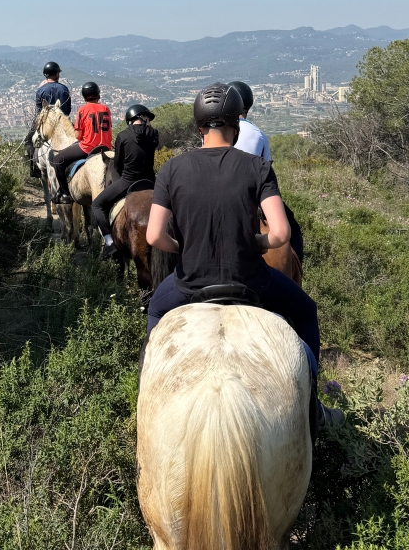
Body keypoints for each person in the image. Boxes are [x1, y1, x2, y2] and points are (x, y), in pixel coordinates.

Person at [145, 82, 342, 429]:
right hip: (251, 281)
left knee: (156, 310)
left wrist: (183, 248)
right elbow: (280, 233)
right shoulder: (256, 167)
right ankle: (314, 406)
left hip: (190, 285)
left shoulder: (171, 170)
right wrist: (256, 242)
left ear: (199, 125)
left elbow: (154, 235)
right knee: (306, 311)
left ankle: (144, 403)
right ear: (237, 124)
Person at [229, 80, 304, 263]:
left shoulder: (214, 131)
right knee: (292, 228)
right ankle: (297, 270)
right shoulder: (258, 134)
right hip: (252, 198)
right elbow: (266, 171)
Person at [93, 104, 160, 259]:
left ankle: (109, 242)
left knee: (98, 204)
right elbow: (151, 141)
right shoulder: (154, 133)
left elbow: (117, 164)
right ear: (143, 118)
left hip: (128, 181)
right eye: (147, 118)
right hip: (150, 182)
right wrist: (148, 126)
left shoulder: (122, 136)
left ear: (130, 118)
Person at [51, 81, 112, 204]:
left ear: (84, 96)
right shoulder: (106, 109)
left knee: (57, 160)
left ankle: (65, 194)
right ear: (98, 95)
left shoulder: (82, 110)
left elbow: (78, 136)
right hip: (106, 148)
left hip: (87, 148)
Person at [24, 61, 71, 177]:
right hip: (62, 123)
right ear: (56, 74)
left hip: (46, 124)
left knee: (29, 141)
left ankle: (35, 169)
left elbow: (40, 112)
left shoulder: (41, 90)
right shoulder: (64, 89)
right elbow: (68, 110)